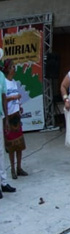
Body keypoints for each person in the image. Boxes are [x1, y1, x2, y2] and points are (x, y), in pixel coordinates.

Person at [3, 59, 27, 179]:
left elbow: (17, 98)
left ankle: (19, 167)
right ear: (8, 69)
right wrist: (13, 97)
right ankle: (12, 168)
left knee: (19, 144)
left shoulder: (15, 82)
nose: (14, 68)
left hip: (17, 115)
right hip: (9, 115)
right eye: (12, 67)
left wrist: (19, 105)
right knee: (11, 146)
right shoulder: (4, 83)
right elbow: (4, 99)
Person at [0, 50, 18, 197]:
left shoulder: (0, 76)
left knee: (1, 151)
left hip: (0, 116)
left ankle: (3, 182)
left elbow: (3, 97)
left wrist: (6, 118)